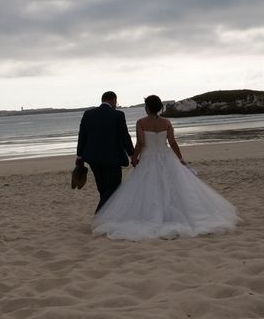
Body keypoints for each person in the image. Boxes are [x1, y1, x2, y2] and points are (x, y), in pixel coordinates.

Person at [92, 95, 239, 241]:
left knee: (147, 189)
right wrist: (180, 158)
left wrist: (134, 157)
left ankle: (151, 217)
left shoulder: (141, 122)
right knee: (174, 187)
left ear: (147, 108)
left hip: (148, 158)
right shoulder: (166, 122)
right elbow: (172, 142)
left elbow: (141, 143)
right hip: (166, 157)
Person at [76, 91, 135, 212]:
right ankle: (99, 214)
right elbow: (124, 136)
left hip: (93, 158)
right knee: (114, 188)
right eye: (116, 102)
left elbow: (82, 136)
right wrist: (132, 154)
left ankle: (106, 216)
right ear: (113, 100)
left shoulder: (88, 114)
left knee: (102, 188)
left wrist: (79, 156)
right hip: (112, 158)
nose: (116, 104)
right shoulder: (118, 115)